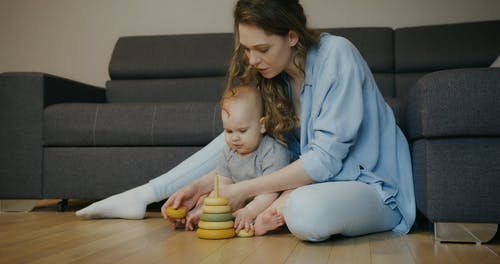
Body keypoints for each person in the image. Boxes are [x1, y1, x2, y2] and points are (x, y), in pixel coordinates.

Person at [77, 0, 415, 242]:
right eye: (247, 48)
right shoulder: (275, 76)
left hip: (373, 188)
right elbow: (259, 152)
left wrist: (239, 192)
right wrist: (206, 186)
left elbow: (323, 162)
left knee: (305, 213)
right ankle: (144, 194)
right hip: (316, 180)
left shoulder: (337, 55)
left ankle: (283, 208)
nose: (253, 60)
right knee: (239, 133)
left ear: (293, 36)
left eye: (262, 49)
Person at [174, 85, 290, 234]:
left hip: (268, 198)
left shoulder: (272, 152)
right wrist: (206, 210)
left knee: (276, 206)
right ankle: (202, 215)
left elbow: (271, 191)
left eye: (242, 131)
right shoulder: (228, 152)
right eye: (229, 131)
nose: (235, 138)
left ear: (262, 125)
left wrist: (249, 211)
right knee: (208, 196)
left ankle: (261, 222)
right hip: (242, 201)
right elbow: (223, 186)